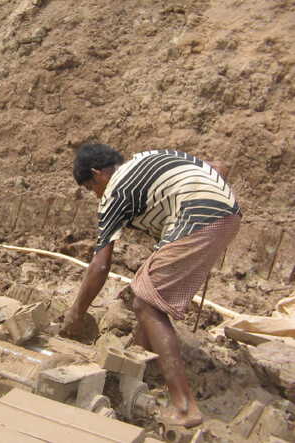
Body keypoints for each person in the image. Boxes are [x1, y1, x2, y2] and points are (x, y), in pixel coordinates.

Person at [59, 143, 240, 428]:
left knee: (143, 301)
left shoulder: (114, 191)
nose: (95, 195)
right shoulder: (150, 159)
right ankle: (135, 359)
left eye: (89, 188)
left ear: (97, 173)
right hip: (229, 215)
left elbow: (100, 266)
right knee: (148, 286)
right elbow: (219, 168)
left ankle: (183, 405)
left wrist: (76, 315)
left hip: (199, 219)